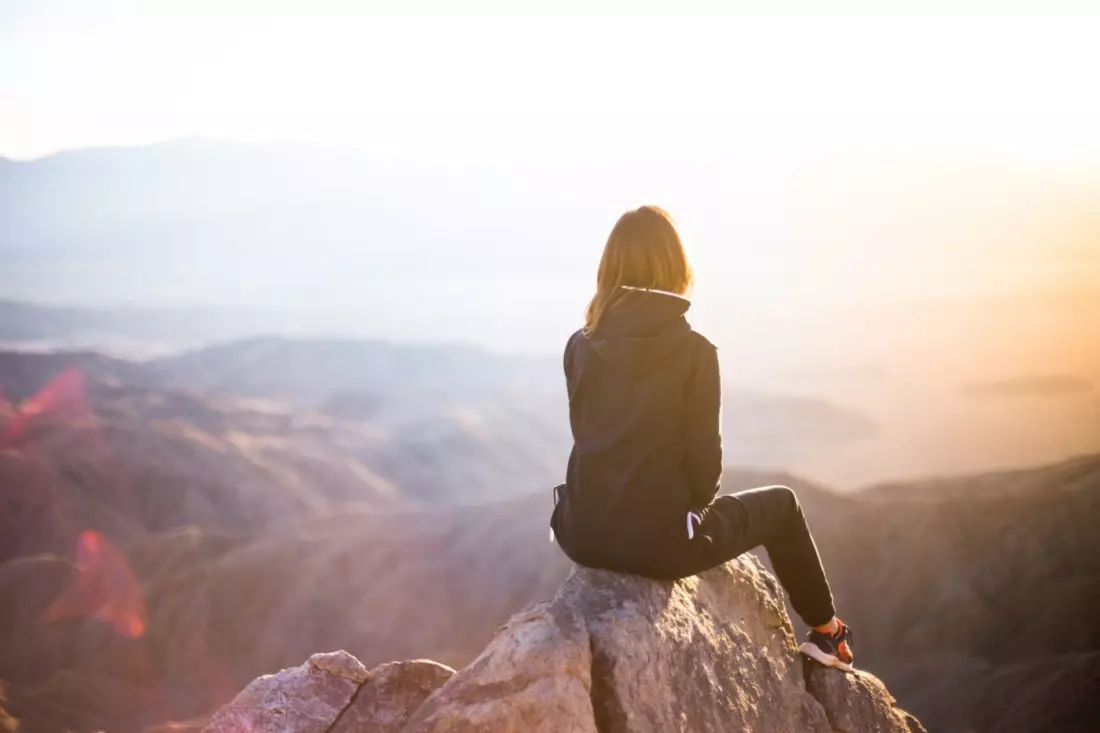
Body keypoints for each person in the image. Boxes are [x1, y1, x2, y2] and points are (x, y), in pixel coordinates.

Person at [549, 205, 854, 670]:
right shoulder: (694, 353)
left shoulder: (579, 343)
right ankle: (827, 634)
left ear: (608, 269)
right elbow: (705, 477)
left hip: (581, 533)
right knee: (784, 505)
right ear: (676, 268)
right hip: (661, 546)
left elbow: (590, 437)